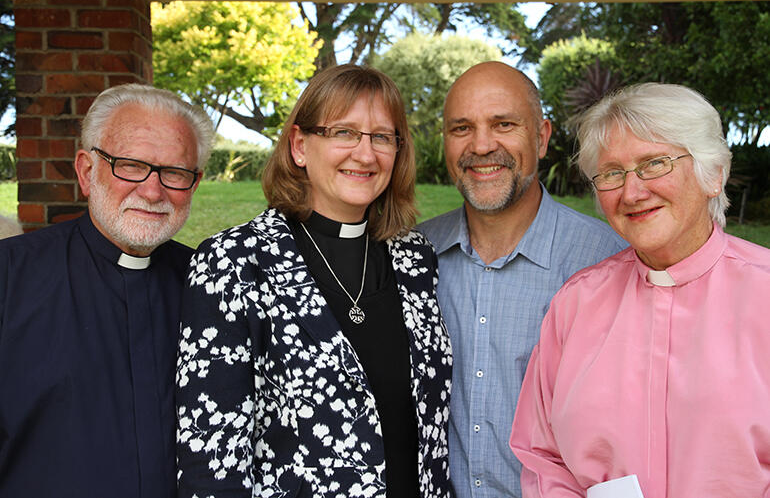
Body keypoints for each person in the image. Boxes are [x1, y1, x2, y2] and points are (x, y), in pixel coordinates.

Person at [176, 64, 453, 498]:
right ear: (300, 145)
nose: (365, 154)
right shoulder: (235, 263)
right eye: (344, 132)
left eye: (382, 136)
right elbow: (212, 455)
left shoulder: (416, 259)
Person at [510, 83, 770, 497]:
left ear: (713, 175)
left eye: (655, 163)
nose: (632, 192)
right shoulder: (575, 304)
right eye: (613, 173)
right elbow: (544, 457)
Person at [417, 61, 626, 498]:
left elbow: (632, 433)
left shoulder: (609, 261)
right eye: (461, 128)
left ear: (542, 137)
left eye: (504, 124)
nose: (481, 144)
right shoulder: (413, 258)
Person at [0, 83, 213, 497]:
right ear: (86, 171)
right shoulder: (8, 277)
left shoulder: (212, 286)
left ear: (195, 182)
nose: (152, 192)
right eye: (130, 165)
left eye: (174, 172)